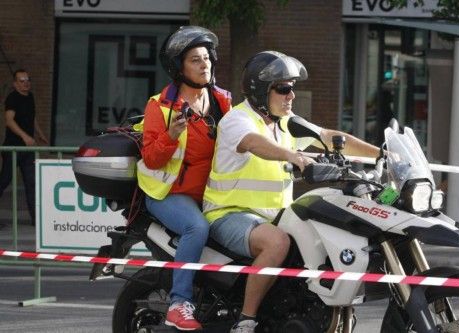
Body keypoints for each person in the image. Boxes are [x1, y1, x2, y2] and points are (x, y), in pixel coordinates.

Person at [203, 51, 379, 333]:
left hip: (274, 217)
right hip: (229, 214)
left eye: (292, 88)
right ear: (261, 91)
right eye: (283, 88)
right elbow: (254, 143)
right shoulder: (238, 120)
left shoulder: (286, 122)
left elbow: (327, 137)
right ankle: (245, 321)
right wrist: (294, 156)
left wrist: (380, 154)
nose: (291, 95)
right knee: (277, 243)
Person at [136, 26, 231, 331]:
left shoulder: (222, 102)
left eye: (207, 58)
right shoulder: (160, 107)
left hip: (211, 193)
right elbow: (152, 158)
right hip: (169, 194)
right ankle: (179, 304)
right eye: (195, 60)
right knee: (196, 227)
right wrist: (172, 135)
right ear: (179, 67)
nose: (205, 64)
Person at [0, 69, 48, 226]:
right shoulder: (12, 98)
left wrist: (39, 133)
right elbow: (9, 120)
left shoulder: (30, 97)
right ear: (15, 84)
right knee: (4, 181)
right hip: (13, 148)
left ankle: (36, 220)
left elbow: (32, 117)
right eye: (22, 80)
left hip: (27, 151)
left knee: (31, 183)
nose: (26, 83)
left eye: (27, 79)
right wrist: (24, 136)